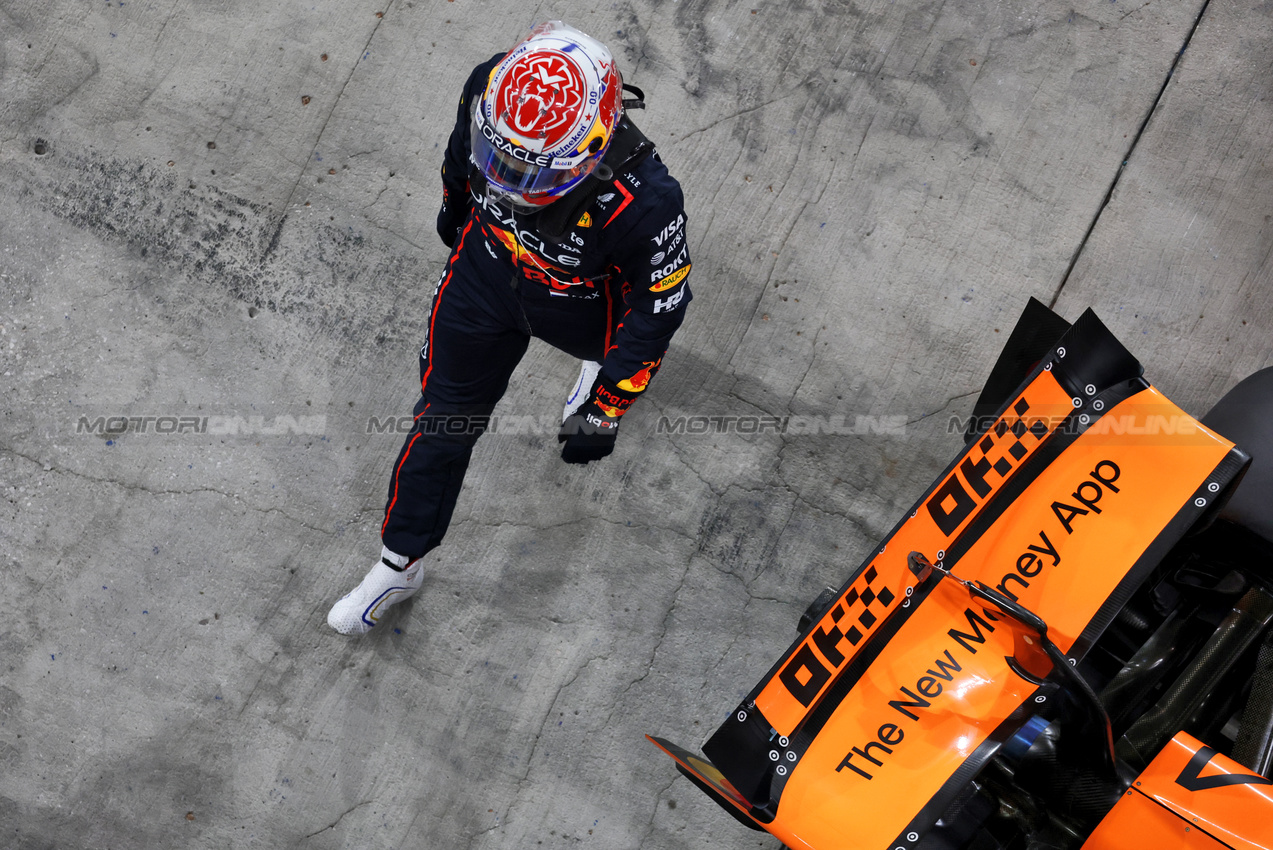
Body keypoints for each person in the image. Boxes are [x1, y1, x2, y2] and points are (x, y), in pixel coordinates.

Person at [327, 21, 693, 635]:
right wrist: (452, 206)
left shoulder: (648, 199)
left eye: (537, 177)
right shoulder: (490, 87)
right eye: (503, 163)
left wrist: (606, 409)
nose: (514, 189)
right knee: (440, 423)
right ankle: (400, 562)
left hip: (582, 307)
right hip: (485, 279)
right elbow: (458, 155)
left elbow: (659, 308)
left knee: (617, 351)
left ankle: (592, 374)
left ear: (597, 146)